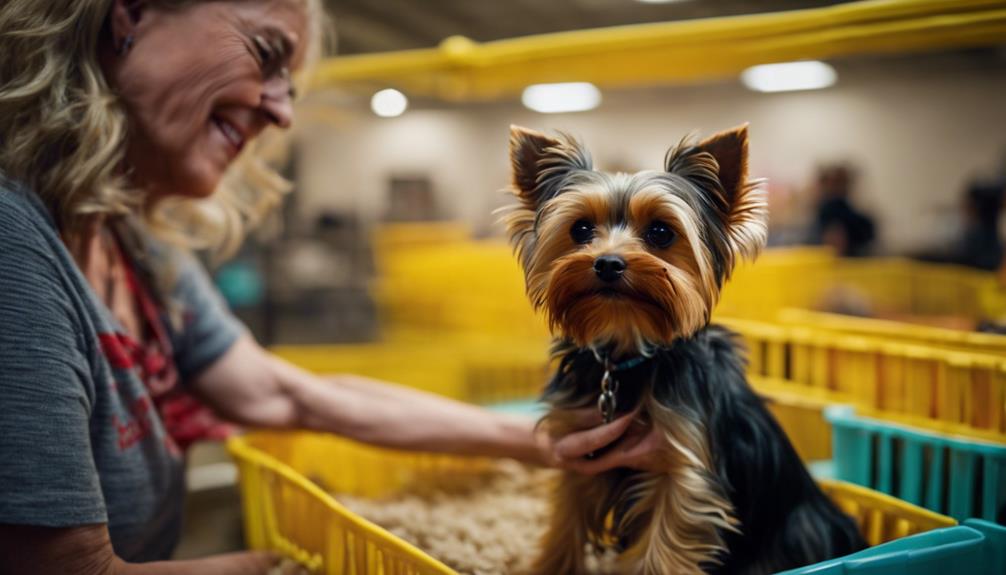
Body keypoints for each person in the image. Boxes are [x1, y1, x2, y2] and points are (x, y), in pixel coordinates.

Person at [0, 1, 665, 573]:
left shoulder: (138, 247)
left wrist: (542, 440)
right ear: (131, 13)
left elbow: (288, 392)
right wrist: (304, 561)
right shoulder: (15, 240)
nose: (284, 112)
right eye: (266, 52)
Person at [809, 164, 876, 257]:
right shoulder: (821, 212)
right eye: (832, 183)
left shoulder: (857, 220)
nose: (835, 187)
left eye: (839, 182)